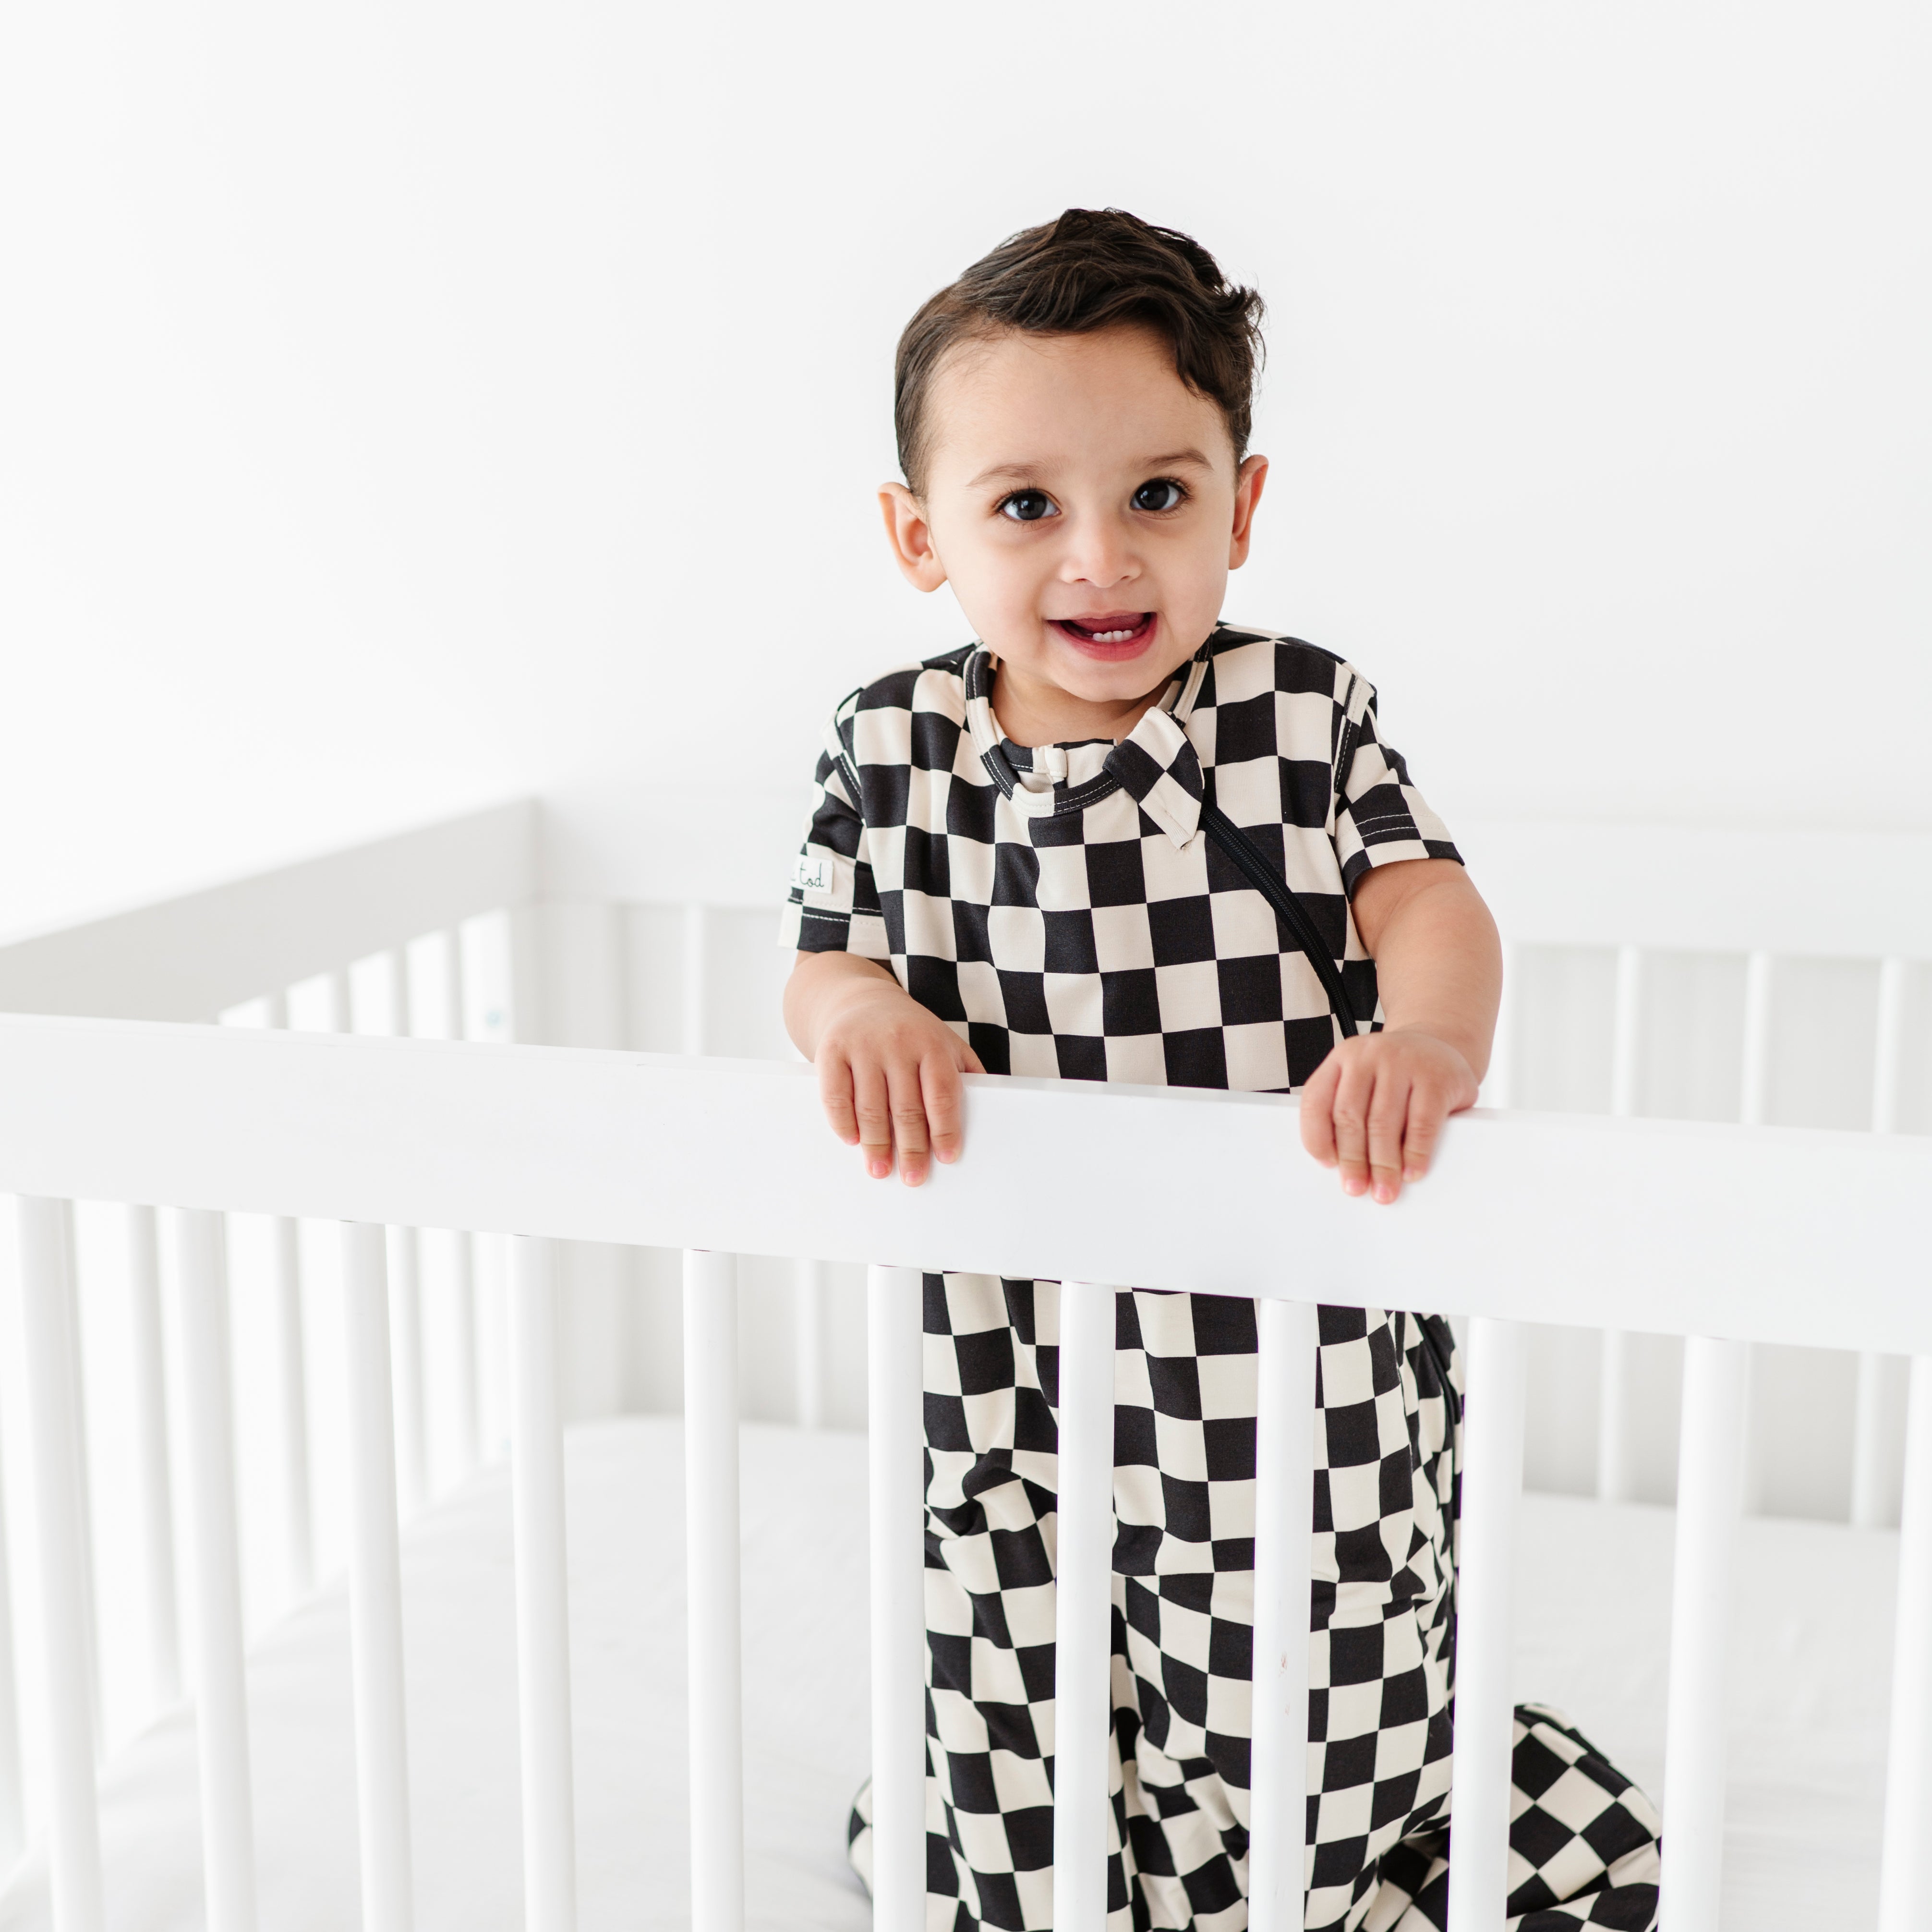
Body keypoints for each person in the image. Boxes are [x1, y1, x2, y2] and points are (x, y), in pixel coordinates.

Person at [780, 208, 1661, 1932]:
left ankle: (1323, 1861)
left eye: (1160, 496)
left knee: (1298, 1696)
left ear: (1242, 508)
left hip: (1287, 1350)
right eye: (1027, 505)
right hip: (1005, 1346)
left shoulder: (1295, 717)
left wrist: (1425, 1037)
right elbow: (829, 961)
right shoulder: (891, 745)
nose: (1101, 559)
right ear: (918, 536)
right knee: (1007, 1673)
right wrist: (859, 1018)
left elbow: (1429, 900)